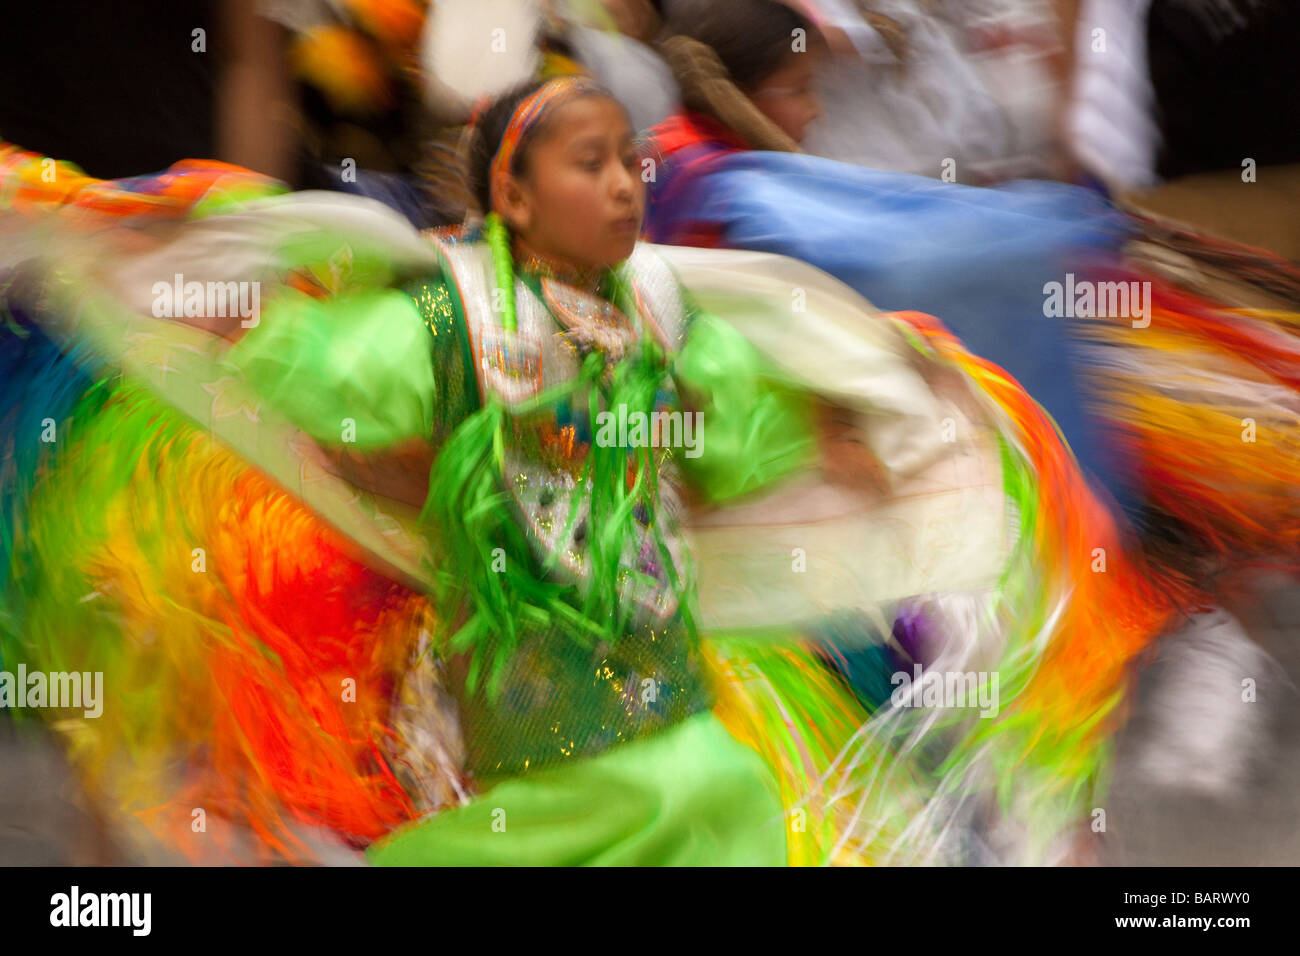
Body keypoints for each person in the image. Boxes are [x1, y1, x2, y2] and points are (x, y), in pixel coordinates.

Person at [0, 76, 1171, 866]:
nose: (621, 188)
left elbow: (299, 380)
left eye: (624, 166)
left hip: (598, 798)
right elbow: (758, 461)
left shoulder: (530, 329)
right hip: (671, 798)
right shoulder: (622, 332)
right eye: (589, 167)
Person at [645, 0, 1139, 513]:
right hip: (737, 446)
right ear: (736, 93)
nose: (816, 109)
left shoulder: (681, 152)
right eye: (798, 89)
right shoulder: (730, 195)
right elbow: (849, 274)